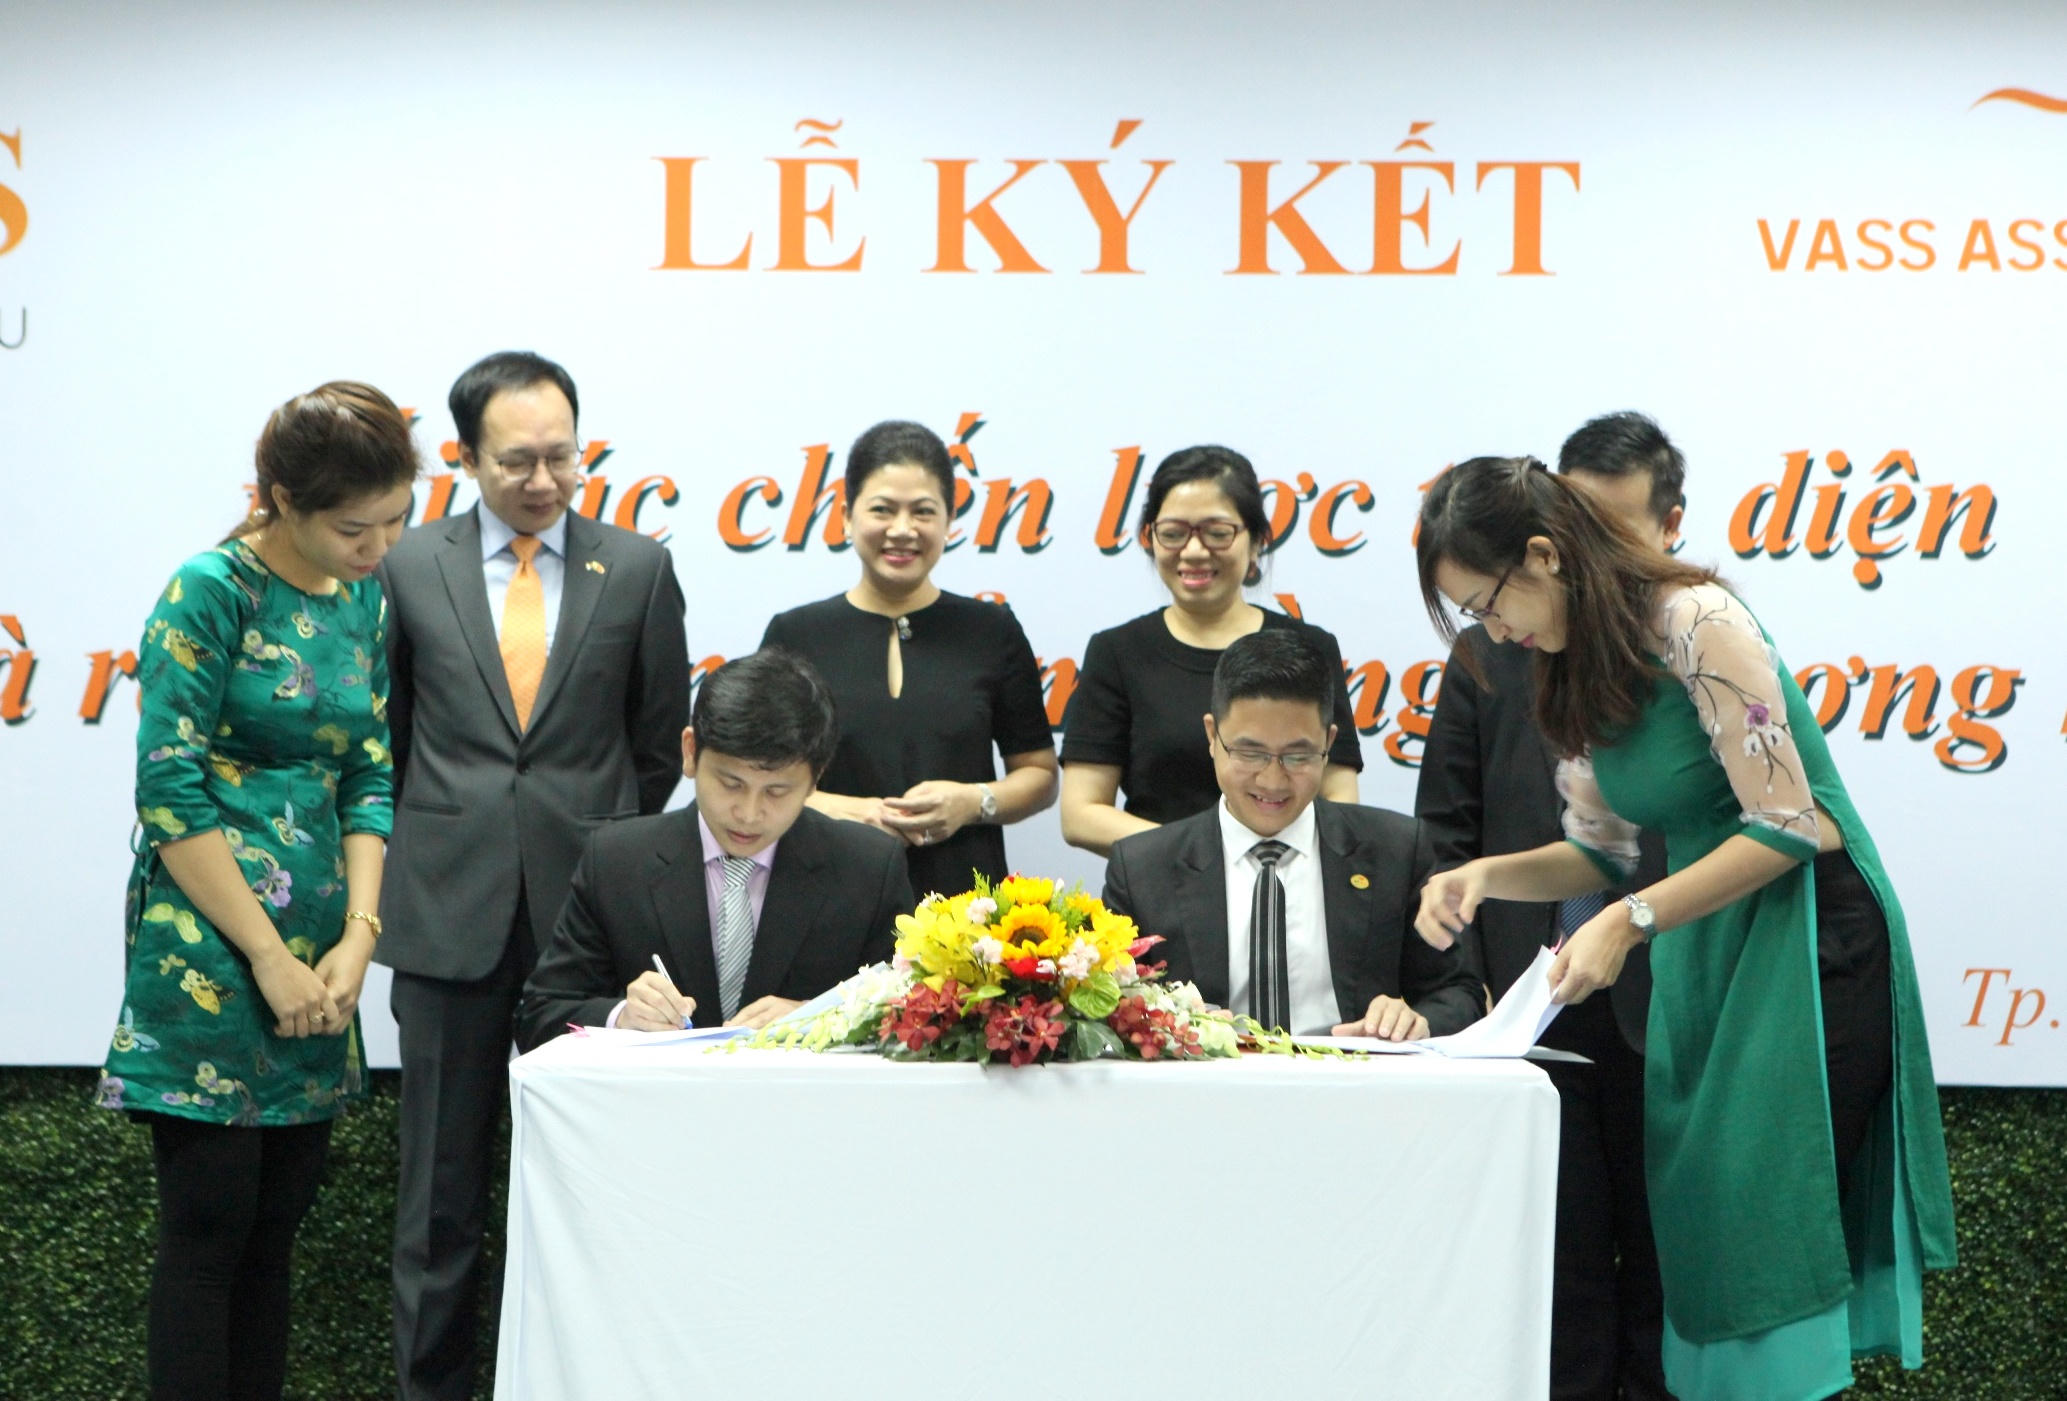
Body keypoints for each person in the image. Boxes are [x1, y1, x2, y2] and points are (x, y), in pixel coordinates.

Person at [1413, 456, 1955, 1401]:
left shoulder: (1695, 619)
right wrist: (1483, 876)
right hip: (1701, 943)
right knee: (1700, 1218)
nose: (1493, 630)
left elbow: (1791, 823)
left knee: (1765, 1214)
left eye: (1489, 603)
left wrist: (1630, 921)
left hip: (1808, 940)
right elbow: (1603, 851)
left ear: (1542, 555)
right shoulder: (1570, 664)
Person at [374, 351, 691, 1401]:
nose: (544, 479)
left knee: (595, 1185)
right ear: (465, 457)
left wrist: (608, 859)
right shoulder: (406, 565)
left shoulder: (636, 568)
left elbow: (656, 743)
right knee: (438, 1195)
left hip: (589, 924)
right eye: (517, 461)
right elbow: (389, 736)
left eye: (563, 456)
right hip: (446, 916)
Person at [96, 381, 418, 1400]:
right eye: (354, 528)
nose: (378, 548)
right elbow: (169, 791)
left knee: (276, 1233)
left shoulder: (363, 597)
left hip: (321, 951)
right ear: (281, 499)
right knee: (209, 1232)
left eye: (396, 522)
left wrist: (358, 936)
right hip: (209, 944)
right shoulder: (211, 590)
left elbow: (368, 772)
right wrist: (268, 958)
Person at [1414, 412, 1682, 1400]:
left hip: (1664, 987)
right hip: (1534, 998)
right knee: (1556, 1259)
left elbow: (1772, 823)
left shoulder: (1684, 638)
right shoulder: (1489, 655)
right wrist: (1469, 970)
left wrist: (1638, 920)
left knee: (1666, 1256)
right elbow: (1449, 828)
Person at [515, 649, 912, 1050]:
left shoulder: (868, 868)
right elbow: (540, 1014)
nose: (748, 814)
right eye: (730, 784)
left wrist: (827, 1017)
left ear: (815, 780)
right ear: (690, 752)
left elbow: (916, 1019)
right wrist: (622, 1017)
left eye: (776, 792)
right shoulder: (617, 861)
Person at [1102, 630, 1481, 1040]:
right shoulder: (1141, 870)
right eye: (1250, 753)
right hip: (1209, 1078)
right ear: (1212, 737)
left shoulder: (1397, 850)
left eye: (1298, 756)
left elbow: (1459, 994)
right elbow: (1105, 1009)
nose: (1273, 780)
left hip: (1354, 1074)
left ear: (1329, 742)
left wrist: (1416, 1022)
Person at [758, 419, 1056, 899]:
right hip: (825, 892)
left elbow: (1040, 776)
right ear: (846, 516)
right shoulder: (795, 635)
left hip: (965, 908)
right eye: (882, 509)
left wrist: (972, 801)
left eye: (923, 511)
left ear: (949, 520)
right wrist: (849, 811)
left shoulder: (991, 630)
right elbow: (759, 776)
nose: (902, 530)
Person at [1059, 445, 1362, 858]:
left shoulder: (1311, 648)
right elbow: (1081, 813)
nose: (1194, 551)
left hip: (1287, 874)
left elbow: (1340, 797)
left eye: (1217, 533)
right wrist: (1203, 857)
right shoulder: (1117, 652)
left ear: (1255, 541)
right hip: (1163, 882)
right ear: (1150, 539)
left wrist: (1260, 856)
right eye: (1173, 533)